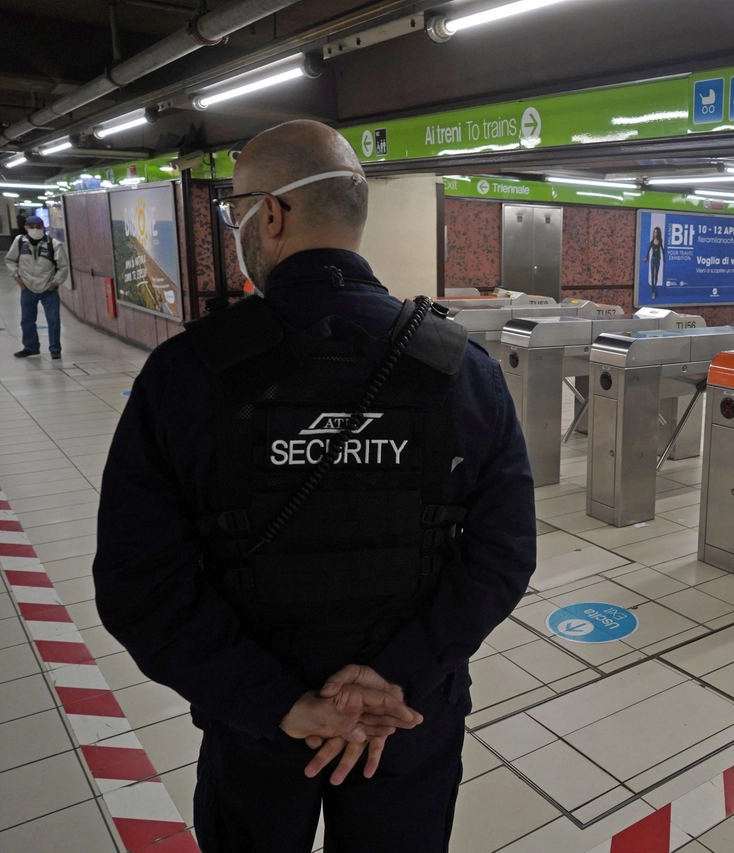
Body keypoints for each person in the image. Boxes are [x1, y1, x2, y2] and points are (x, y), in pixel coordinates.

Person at [94, 120, 536, 852]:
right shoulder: (465, 370)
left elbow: (138, 582)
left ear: (270, 213)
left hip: (255, 730)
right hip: (406, 723)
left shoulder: (185, 375)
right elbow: (503, 555)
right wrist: (395, 679)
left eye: (235, 210)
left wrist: (282, 703)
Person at [5, 214, 68, 359]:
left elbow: (63, 267)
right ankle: (31, 347)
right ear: (25, 228)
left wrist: (54, 284)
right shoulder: (20, 241)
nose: (35, 229)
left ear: (43, 227)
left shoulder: (54, 244)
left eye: (38, 227)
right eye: (31, 227)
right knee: (27, 320)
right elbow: (10, 260)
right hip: (27, 288)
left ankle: (55, 349)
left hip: (48, 290)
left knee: (53, 320)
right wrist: (19, 281)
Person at [640, 225, 664, 300]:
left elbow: (662, 250)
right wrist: (646, 257)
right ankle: (653, 292)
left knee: (656, 275)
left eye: (656, 232)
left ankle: (655, 287)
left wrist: (664, 258)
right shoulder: (652, 242)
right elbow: (648, 250)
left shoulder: (660, 241)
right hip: (653, 259)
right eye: (654, 232)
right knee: (652, 275)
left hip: (658, 259)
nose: (655, 234)